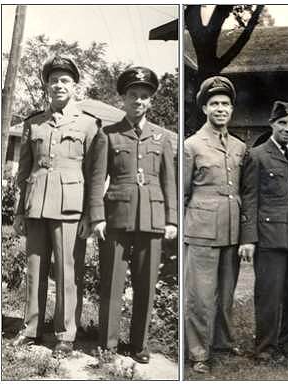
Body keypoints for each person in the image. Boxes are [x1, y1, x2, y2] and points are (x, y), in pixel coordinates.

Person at [12, 55, 100, 357]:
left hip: (69, 208)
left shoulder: (89, 125)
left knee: (67, 271)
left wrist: (91, 215)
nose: (58, 85)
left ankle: (65, 334)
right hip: (36, 204)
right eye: (54, 80)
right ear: (47, 86)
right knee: (34, 269)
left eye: (65, 80)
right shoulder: (33, 122)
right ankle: (31, 329)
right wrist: (19, 212)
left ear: (75, 86)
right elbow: (23, 172)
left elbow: (94, 175)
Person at [89, 66, 177, 364]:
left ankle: (139, 345)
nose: (138, 101)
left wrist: (172, 219)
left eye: (144, 96)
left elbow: (169, 181)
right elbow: (97, 179)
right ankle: (108, 345)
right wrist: (97, 217)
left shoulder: (162, 137)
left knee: (146, 284)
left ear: (150, 101)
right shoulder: (108, 135)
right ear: (123, 100)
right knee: (112, 283)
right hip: (116, 217)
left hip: (152, 218)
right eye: (133, 95)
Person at [238, 101, 288, 360]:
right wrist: (248, 238)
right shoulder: (256, 155)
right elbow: (249, 198)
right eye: (283, 123)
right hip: (269, 235)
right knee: (269, 293)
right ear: (272, 124)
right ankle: (265, 346)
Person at [184, 76, 246, 373]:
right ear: (205, 108)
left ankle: (222, 341)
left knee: (226, 291)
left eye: (226, 104)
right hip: (201, 228)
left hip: (231, 227)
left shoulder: (238, 146)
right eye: (215, 104)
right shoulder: (192, 145)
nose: (221, 109)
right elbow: (183, 192)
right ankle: (198, 352)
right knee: (200, 294)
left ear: (232, 109)